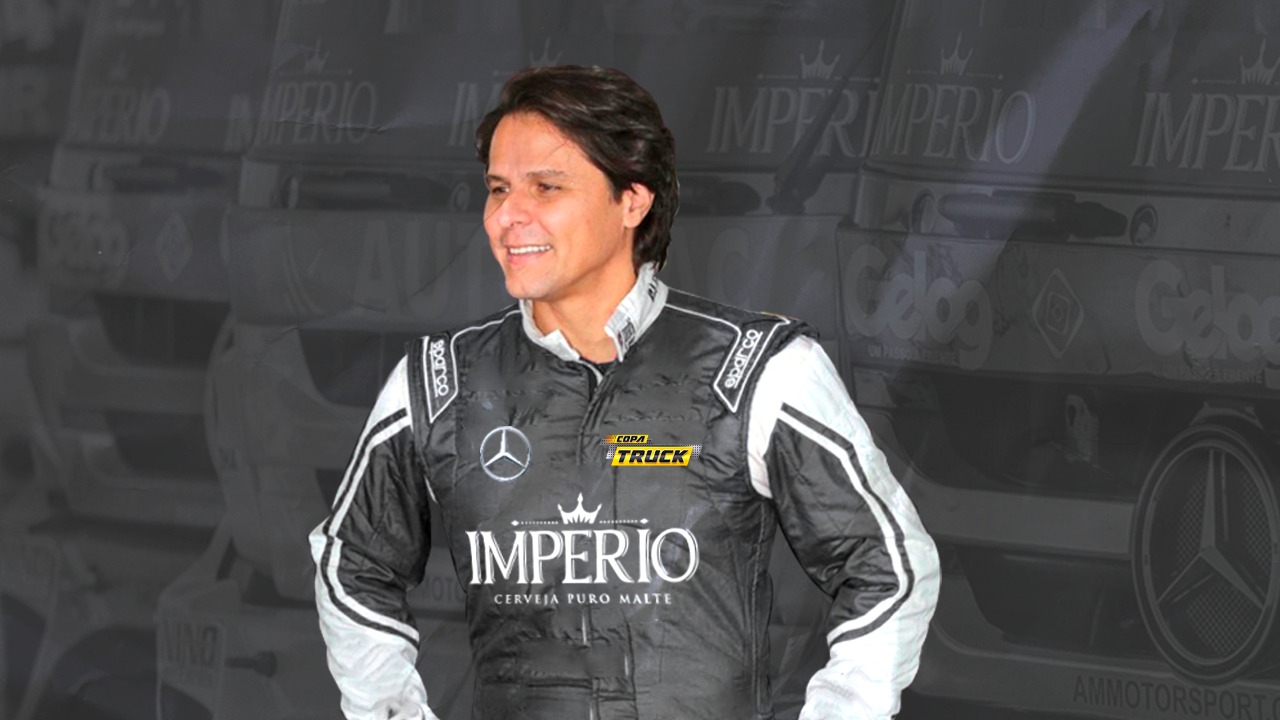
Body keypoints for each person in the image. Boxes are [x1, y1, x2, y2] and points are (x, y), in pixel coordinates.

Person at [309, 65, 939, 720]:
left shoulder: (758, 371)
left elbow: (890, 565)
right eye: (498, 189)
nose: (506, 217)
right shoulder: (440, 382)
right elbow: (352, 564)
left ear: (632, 201)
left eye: (546, 187)